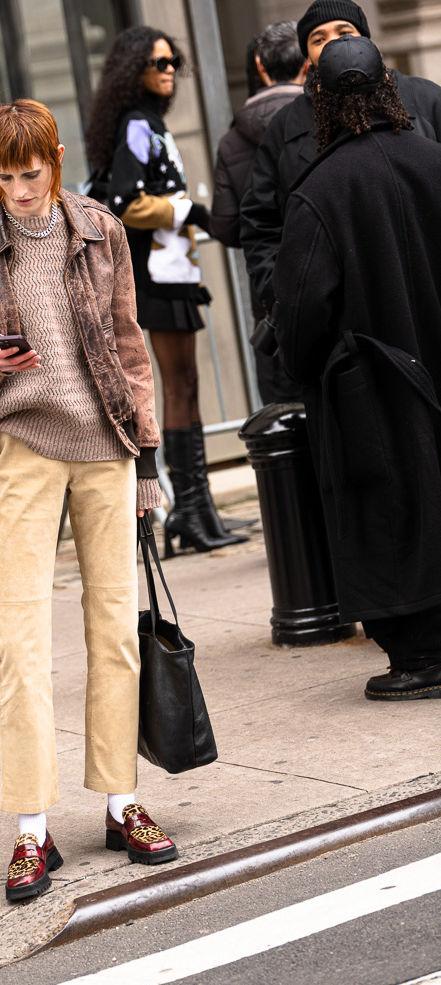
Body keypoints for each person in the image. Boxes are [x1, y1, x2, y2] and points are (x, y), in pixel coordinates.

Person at [0, 99, 178, 902]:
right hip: (23, 444)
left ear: (56, 160)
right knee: (20, 639)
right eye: (5, 176)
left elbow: (130, 349)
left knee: (115, 631)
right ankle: (31, 826)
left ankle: (120, 799)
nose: (21, 190)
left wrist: (148, 462)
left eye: (33, 174)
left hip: (105, 444)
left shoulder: (100, 228)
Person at [272, 36, 441, 703]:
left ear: (322, 101)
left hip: (369, 388)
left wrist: (307, 364)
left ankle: (421, 655)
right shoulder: (435, 160)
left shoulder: (320, 189)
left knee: (392, 512)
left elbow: (302, 307)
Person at [86, 26, 246, 559]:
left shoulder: (149, 124)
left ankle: (195, 510)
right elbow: (126, 201)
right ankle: (189, 510)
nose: (169, 68)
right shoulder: (137, 124)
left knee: (187, 383)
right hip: (155, 271)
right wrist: (188, 210)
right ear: (135, 71)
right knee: (177, 385)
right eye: (158, 62)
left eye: (172, 60)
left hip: (171, 269)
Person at [240, 0, 441, 319]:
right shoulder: (286, 127)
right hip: (341, 320)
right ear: (308, 59)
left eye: (344, 31)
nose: (335, 42)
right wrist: (286, 303)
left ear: (368, 41)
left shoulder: (427, 99)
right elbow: (261, 223)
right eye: (318, 39)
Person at [211, 21, 307, 404]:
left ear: (260, 68)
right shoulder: (324, 120)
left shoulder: (234, 138)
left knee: (284, 413)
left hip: (269, 294)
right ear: (306, 66)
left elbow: (226, 224)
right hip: (334, 281)